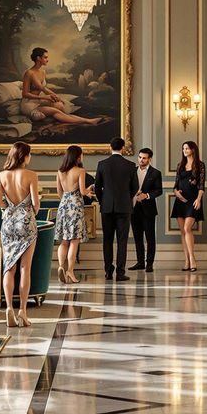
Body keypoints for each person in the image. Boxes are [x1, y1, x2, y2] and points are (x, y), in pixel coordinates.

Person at [0, 141, 40, 328]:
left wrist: (11, 208)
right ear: (25, 156)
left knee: (9, 267)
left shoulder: (2, 175)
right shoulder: (31, 175)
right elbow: (36, 203)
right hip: (26, 223)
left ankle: (9, 309)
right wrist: (29, 212)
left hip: (8, 224)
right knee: (25, 269)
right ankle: (22, 310)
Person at [20, 47, 107, 127]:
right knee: (56, 111)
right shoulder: (29, 73)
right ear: (38, 58)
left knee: (59, 105)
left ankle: (58, 118)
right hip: (29, 104)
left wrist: (56, 96)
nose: (47, 60)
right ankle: (88, 121)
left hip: (38, 101)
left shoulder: (42, 72)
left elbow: (44, 89)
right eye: (45, 57)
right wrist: (44, 97)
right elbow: (25, 94)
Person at [95, 137, 136, 281]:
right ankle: (120, 272)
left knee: (107, 240)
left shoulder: (102, 164)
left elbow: (97, 187)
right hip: (124, 207)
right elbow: (135, 187)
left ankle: (108, 271)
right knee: (122, 241)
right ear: (123, 148)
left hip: (106, 207)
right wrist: (126, 199)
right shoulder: (130, 165)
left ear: (109, 147)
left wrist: (103, 201)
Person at [54, 145, 91, 284]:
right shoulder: (80, 170)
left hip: (63, 205)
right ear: (78, 156)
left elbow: (59, 192)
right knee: (74, 241)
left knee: (64, 241)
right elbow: (82, 191)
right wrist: (90, 189)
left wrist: (65, 199)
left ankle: (60, 266)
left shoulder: (60, 171)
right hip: (75, 206)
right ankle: (70, 271)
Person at [170, 141, 206, 272]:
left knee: (187, 228)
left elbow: (201, 185)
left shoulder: (200, 165)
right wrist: (176, 193)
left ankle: (192, 259)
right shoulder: (180, 165)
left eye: (187, 148)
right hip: (180, 201)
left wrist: (198, 199)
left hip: (193, 200)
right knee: (183, 231)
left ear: (193, 150)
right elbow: (175, 186)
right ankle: (186, 260)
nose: (184, 150)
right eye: (183, 148)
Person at [129, 147, 163, 273]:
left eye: (144, 158)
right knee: (137, 238)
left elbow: (159, 191)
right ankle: (140, 262)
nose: (141, 160)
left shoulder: (155, 173)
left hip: (148, 210)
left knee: (150, 238)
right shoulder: (131, 171)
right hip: (133, 209)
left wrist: (146, 195)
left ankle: (150, 264)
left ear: (149, 159)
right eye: (140, 157)